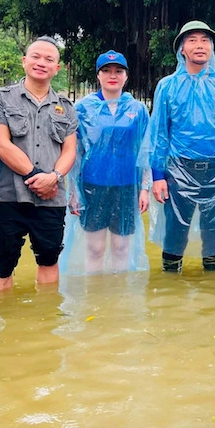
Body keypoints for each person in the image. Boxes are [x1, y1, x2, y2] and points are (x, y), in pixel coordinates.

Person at [149, 20, 215, 273]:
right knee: (175, 231)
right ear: (182, 49)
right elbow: (158, 133)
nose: (199, 45)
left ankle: (213, 288)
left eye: (205, 40)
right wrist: (157, 176)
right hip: (177, 169)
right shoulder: (167, 86)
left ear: (212, 48)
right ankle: (170, 286)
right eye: (192, 40)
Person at [0, 36, 78, 290]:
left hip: (51, 198)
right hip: (8, 197)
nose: (41, 63)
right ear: (25, 61)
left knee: (49, 259)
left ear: (57, 68)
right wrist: (39, 176)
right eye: (36, 57)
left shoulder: (66, 107)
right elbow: (1, 145)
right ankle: (5, 323)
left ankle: (46, 320)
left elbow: (70, 151)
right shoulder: (1, 98)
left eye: (49, 59)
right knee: (3, 265)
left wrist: (54, 178)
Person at [60, 51, 151, 275]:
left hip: (127, 186)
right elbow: (74, 152)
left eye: (118, 71)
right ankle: (95, 296)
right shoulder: (82, 108)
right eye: (107, 71)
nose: (113, 75)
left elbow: (146, 151)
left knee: (121, 247)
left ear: (126, 76)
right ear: (98, 75)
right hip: (92, 185)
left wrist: (145, 189)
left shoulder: (137, 110)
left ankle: (118, 299)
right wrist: (73, 191)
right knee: (95, 247)